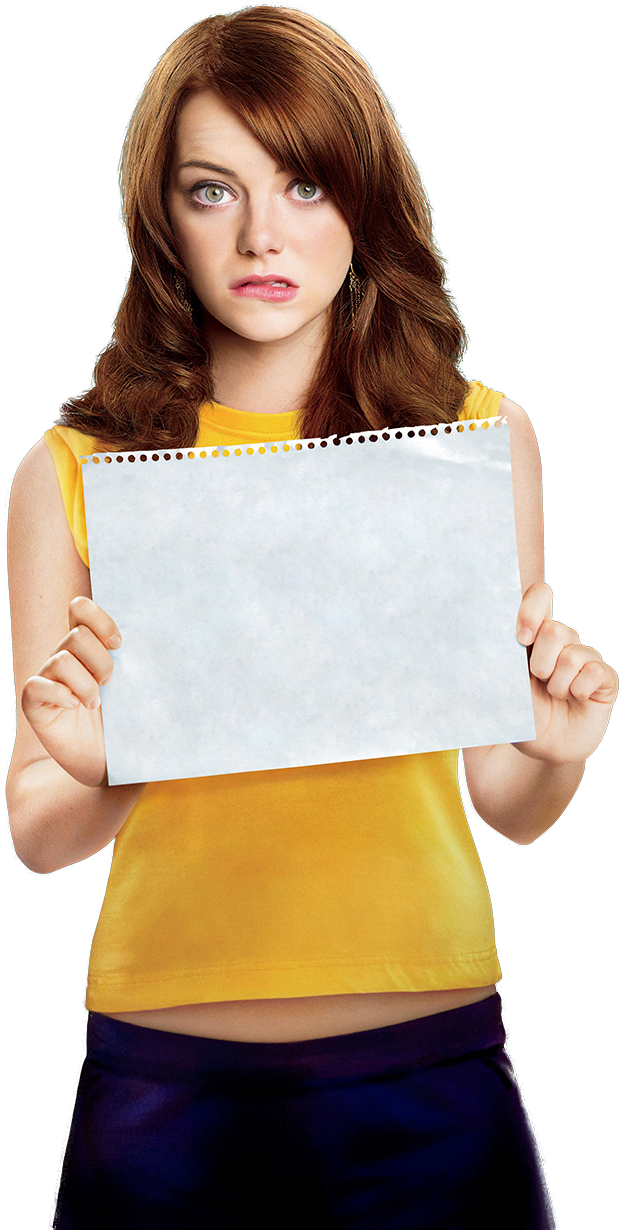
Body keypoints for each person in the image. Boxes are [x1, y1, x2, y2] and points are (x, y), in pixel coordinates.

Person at [6, 7, 617, 1228]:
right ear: (161, 219)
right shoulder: (73, 469)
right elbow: (37, 828)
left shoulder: (476, 441)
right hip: (163, 1080)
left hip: (431, 1058)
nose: (264, 235)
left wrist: (552, 745)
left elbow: (507, 806)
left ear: (366, 198)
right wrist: (117, 761)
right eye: (212, 191)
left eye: (303, 180)